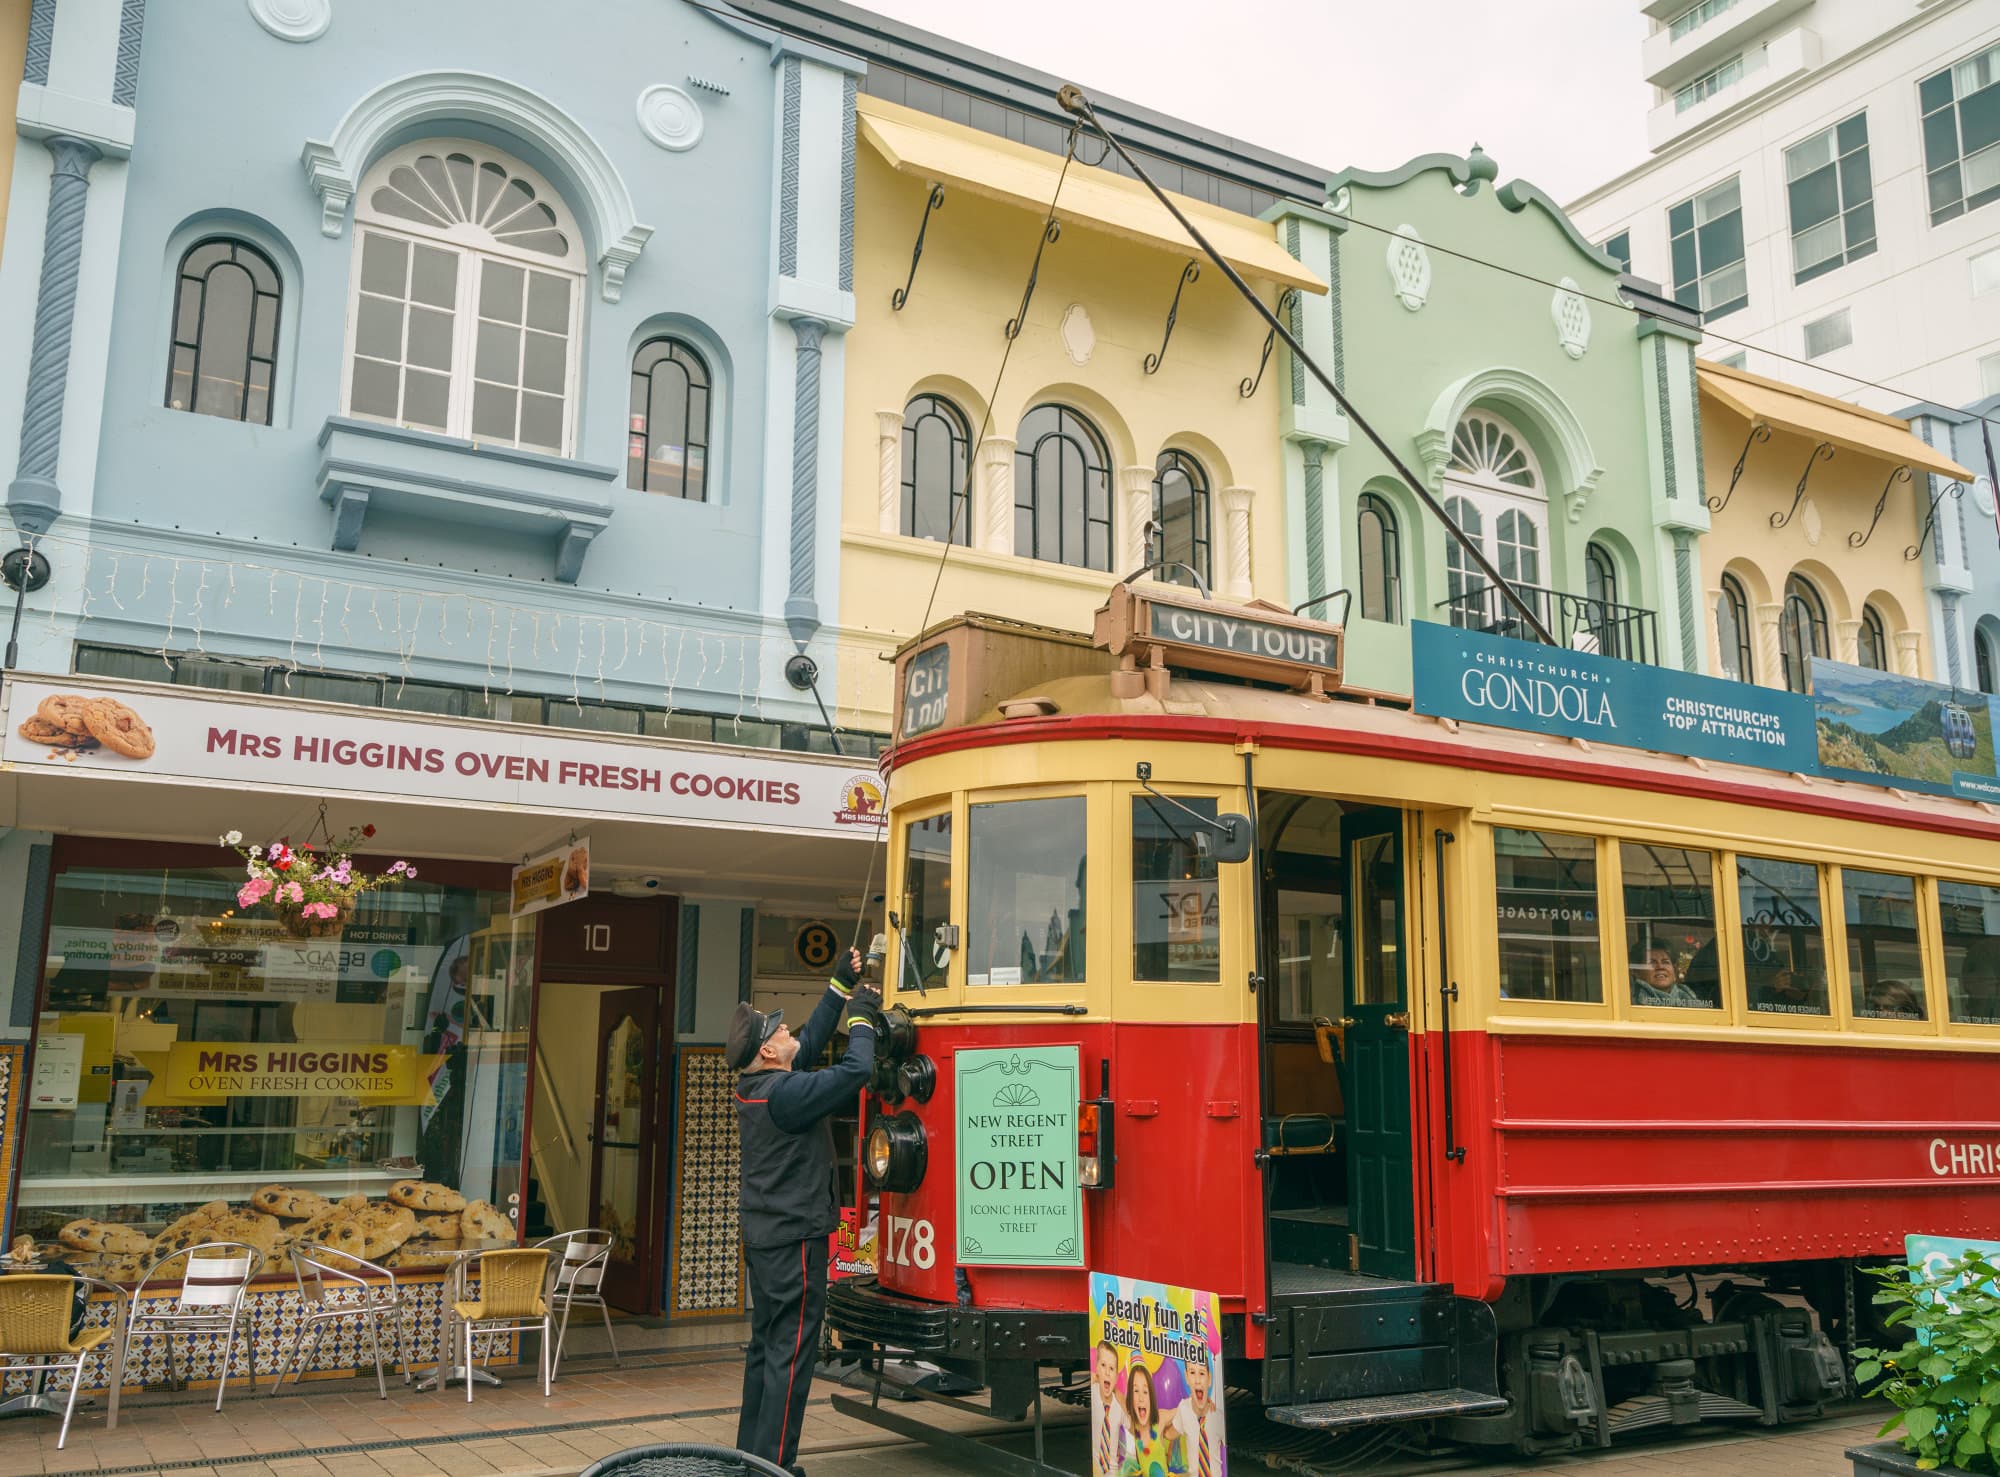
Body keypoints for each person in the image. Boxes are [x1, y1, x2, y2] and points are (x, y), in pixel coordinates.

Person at [730, 948, 878, 1475]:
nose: (787, 1026)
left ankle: (748, 1460)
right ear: (770, 1052)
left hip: (767, 1239)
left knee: (766, 1349)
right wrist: (862, 1017)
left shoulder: (760, 1087)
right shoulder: (787, 1095)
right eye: (778, 1027)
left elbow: (808, 1042)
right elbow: (857, 1068)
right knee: (792, 1356)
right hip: (794, 1243)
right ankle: (774, 1467)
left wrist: (839, 985)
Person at [1172, 1350, 1226, 1477]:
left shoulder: (1218, 1417)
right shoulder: (1183, 1409)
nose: (1197, 1380)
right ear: (1186, 1377)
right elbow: (1169, 1434)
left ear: (1209, 1379)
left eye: (1202, 1373)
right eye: (1192, 1373)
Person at [1121, 1362, 1171, 1477]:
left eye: (1145, 1391)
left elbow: (1182, 1409)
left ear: (1151, 1397)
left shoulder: (1160, 1419)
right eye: (1136, 1391)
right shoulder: (1134, 1425)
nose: (1141, 1398)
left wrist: (1200, 1404)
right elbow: (1120, 1399)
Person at [1090, 1339, 1130, 1475]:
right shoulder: (1093, 1392)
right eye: (1103, 1365)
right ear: (1096, 1369)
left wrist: (1119, 1395)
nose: (1107, 1372)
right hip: (1094, 1469)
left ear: (1116, 1377)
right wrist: (1094, 1378)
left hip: (1112, 1472)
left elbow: (1134, 1426)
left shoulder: (1118, 1407)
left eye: (1112, 1369)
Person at [1629, 945, 1706, 1009]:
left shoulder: (1690, 997)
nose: (1660, 966)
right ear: (1636, 972)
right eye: (1652, 962)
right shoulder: (1632, 1001)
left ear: (1674, 970)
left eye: (1665, 962)